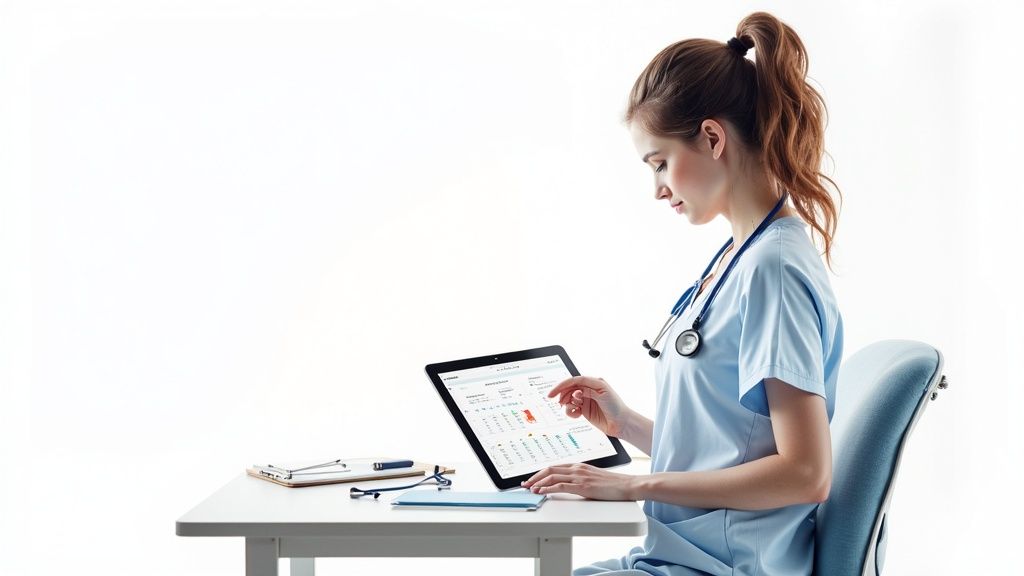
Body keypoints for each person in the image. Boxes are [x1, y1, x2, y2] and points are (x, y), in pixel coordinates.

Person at [520, 11, 845, 576]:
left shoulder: (773, 270)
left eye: (660, 163)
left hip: (727, 565)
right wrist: (626, 425)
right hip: (685, 553)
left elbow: (805, 473)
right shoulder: (739, 256)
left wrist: (633, 486)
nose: (658, 189)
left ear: (713, 138)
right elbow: (735, 447)